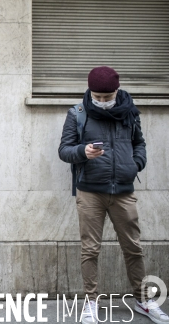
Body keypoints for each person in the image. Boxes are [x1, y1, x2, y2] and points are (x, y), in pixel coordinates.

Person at [58, 66, 169, 324]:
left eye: (108, 97)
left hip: (123, 191)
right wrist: (82, 152)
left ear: (117, 91)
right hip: (90, 192)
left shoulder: (129, 111)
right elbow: (64, 150)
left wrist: (135, 163)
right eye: (98, 96)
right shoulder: (77, 114)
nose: (103, 101)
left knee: (133, 248)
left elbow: (139, 142)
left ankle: (143, 300)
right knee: (90, 250)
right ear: (90, 91)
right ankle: (91, 303)